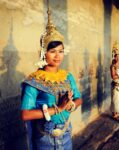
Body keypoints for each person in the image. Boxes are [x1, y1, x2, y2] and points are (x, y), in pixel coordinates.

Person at [20, 2, 82, 150]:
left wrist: (71, 104)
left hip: (66, 134)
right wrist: (58, 108)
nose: (57, 56)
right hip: (45, 138)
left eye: (60, 51)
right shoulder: (34, 81)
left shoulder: (67, 77)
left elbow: (79, 99)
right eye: (52, 51)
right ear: (43, 53)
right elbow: (25, 115)